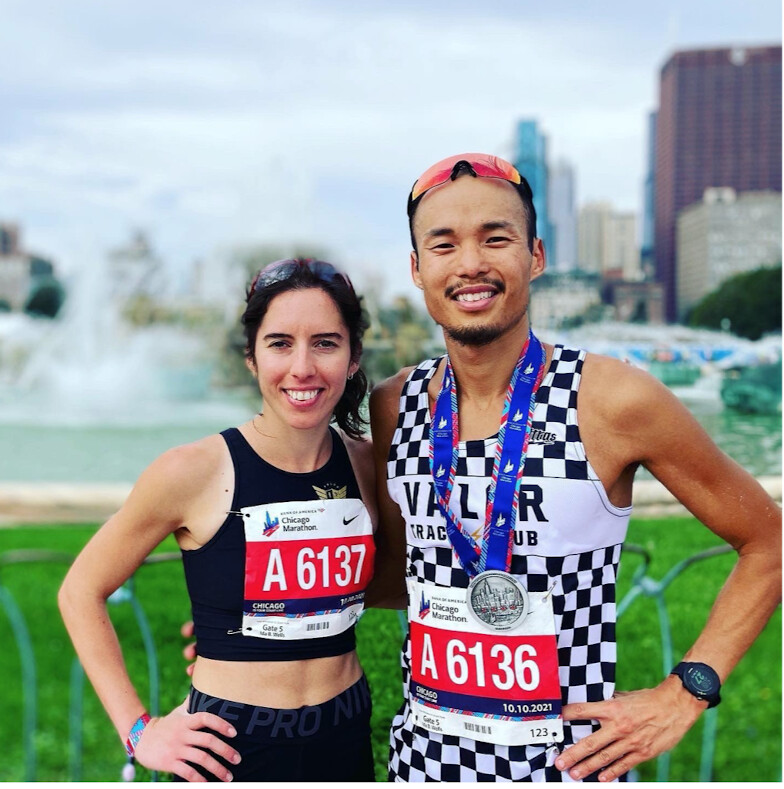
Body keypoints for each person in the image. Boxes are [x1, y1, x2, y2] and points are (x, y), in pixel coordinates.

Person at [367, 153, 781, 782]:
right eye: (444, 244)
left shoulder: (613, 400)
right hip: (423, 764)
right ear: (418, 269)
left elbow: (769, 539)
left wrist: (687, 690)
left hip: (570, 767)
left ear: (535, 256)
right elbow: (399, 576)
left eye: (495, 238)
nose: (470, 263)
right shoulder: (395, 404)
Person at [59, 259, 378, 783]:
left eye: (325, 343)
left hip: (345, 732)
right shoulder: (193, 471)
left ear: (353, 357)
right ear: (251, 358)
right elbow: (80, 590)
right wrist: (139, 731)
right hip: (229, 745)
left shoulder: (366, 465)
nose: (302, 367)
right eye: (279, 344)